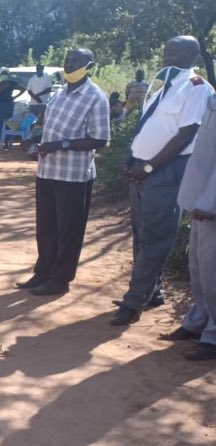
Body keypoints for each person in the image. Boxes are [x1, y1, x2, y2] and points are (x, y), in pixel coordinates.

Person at [110, 36, 215, 326]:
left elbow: (186, 135)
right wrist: (132, 158)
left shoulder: (196, 88)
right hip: (141, 170)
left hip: (165, 172)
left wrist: (148, 168)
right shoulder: (163, 87)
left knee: (155, 239)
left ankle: (133, 303)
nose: (166, 56)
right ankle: (151, 291)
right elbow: (151, 125)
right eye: (166, 50)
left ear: (191, 56)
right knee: (142, 235)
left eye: (174, 52)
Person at [15, 48, 111, 296]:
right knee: (46, 227)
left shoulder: (95, 97)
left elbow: (99, 139)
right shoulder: (60, 92)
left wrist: (60, 145)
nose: (69, 63)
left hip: (73, 176)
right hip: (47, 171)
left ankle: (60, 280)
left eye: (75, 61)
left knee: (68, 230)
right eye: (67, 59)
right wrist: (34, 138)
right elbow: (48, 124)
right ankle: (43, 272)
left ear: (89, 65)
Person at [159, 92, 216, 360]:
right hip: (200, 200)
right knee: (198, 266)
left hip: (211, 205)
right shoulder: (212, 100)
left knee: (212, 272)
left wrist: (210, 202)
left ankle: (213, 335)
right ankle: (198, 322)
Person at [0, 71, 26, 148]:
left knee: (7, 123)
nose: (4, 77)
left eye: (6, 75)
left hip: (8, 105)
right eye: (3, 75)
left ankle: (6, 143)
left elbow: (23, 89)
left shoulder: (12, 83)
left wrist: (14, 97)